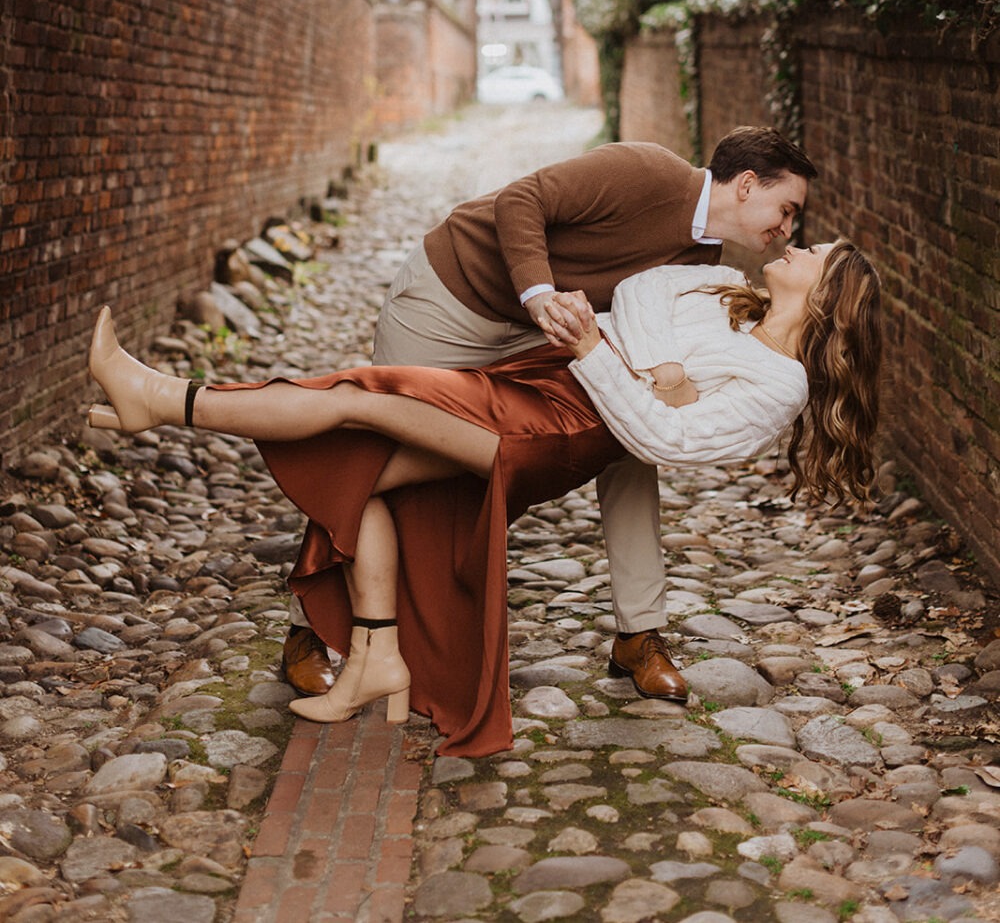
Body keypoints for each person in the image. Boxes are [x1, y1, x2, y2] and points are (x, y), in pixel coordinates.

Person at [87, 238, 881, 758]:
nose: (799, 242)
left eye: (817, 250)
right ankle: (378, 655)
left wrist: (603, 356)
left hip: (557, 428)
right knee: (363, 478)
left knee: (362, 397)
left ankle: (161, 398)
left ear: (829, 294)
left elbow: (663, 441)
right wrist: (658, 366)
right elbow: (641, 288)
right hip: (546, 380)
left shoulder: (781, 383)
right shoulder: (723, 287)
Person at [282, 125, 818, 702]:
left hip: (548, 337)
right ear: (744, 185)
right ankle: (306, 627)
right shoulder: (646, 171)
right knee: (392, 451)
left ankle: (640, 633)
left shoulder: (703, 258)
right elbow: (521, 199)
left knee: (629, 444)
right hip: (453, 301)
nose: (787, 230)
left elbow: (644, 340)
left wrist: (665, 380)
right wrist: (538, 292)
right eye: (785, 209)